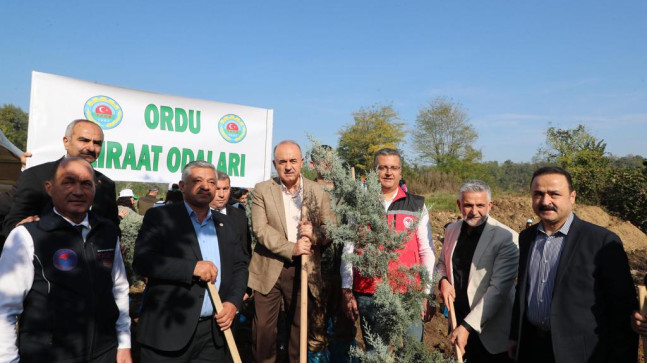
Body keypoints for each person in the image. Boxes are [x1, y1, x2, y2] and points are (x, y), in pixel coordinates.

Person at [0, 157, 131, 362]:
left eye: (86, 184)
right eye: (68, 182)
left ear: (95, 189)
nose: (78, 191)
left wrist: (124, 344)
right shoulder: (26, 236)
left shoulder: (107, 232)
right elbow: (4, 308)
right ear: (49, 188)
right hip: (49, 355)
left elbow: (119, 289)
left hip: (104, 353)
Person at [509, 166, 638, 363]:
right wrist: (515, 335)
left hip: (580, 353)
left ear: (572, 197)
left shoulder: (601, 241)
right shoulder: (526, 238)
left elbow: (621, 309)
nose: (545, 201)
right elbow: (523, 291)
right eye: (538, 194)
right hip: (533, 347)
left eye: (554, 194)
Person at [133, 161, 248, 362]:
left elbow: (240, 266)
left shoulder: (228, 224)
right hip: (168, 333)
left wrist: (232, 303)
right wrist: (191, 268)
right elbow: (143, 261)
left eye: (211, 182)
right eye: (197, 181)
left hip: (213, 335)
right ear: (182, 186)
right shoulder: (161, 217)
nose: (206, 186)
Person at [249, 140, 334, 363]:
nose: (288, 166)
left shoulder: (318, 192)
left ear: (302, 162)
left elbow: (330, 229)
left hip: (303, 269)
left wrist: (314, 233)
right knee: (263, 333)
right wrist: (291, 248)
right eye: (282, 162)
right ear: (275, 164)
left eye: (293, 161)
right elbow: (260, 229)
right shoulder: (262, 190)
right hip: (269, 266)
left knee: (299, 329)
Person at [341, 148, 435, 348]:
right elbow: (349, 248)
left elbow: (426, 250)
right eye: (382, 167)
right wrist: (347, 289)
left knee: (411, 351)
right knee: (376, 351)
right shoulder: (359, 204)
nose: (388, 172)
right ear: (374, 172)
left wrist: (426, 292)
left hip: (409, 293)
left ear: (401, 172)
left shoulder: (416, 205)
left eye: (393, 167)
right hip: (369, 291)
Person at [436, 179, 518, 363]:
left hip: (491, 332)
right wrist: (443, 280)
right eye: (468, 205)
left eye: (480, 205)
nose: (474, 211)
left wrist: (467, 326)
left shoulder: (507, 238)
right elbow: (441, 262)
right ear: (459, 205)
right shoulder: (451, 230)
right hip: (459, 323)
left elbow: (498, 291)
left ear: (490, 205)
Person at [2, 119, 119, 244]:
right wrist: (20, 229)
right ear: (66, 142)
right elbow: (12, 222)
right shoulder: (35, 175)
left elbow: (112, 227)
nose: (91, 147)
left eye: (97, 143)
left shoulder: (106, 185)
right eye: (84, 140)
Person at [209, 170, 251, 258]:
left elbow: (244, 251)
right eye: (217, 189)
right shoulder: (197, 214)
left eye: (225, 189)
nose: (221, 195)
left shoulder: (240, 215)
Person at [116, 188, 143, 284]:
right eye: (133, 198)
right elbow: (141, 221)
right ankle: (134, 280)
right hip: (129, 244)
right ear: (128, 199)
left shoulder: (113, 208)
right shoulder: (128, 211)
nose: (134, 201)